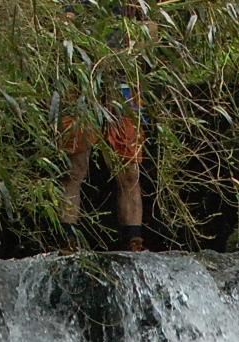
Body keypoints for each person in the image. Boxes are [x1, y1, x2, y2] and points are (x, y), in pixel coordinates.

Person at [58, 2, 150, 251]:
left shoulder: (133, 3)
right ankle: (67, 239)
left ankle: (133, 240)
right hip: (82, 85)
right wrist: (95, 58)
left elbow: (151, 29)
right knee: (75, 167)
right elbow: (65, 27)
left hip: (123, 86)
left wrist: (128, 54)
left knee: (129, 170)